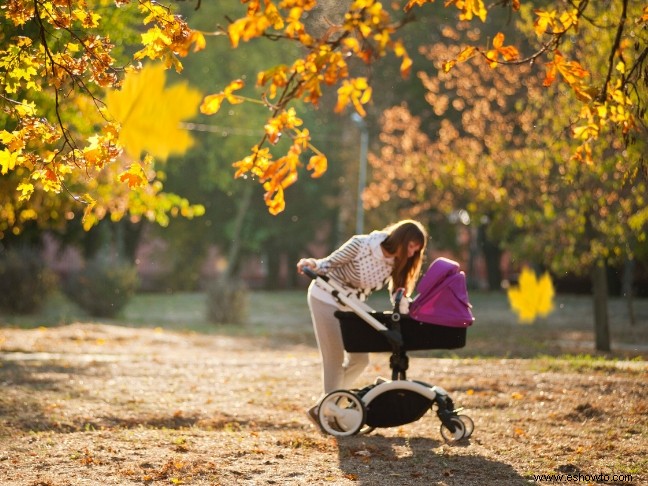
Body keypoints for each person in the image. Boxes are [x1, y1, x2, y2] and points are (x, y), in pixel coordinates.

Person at [296, 219, 428, 427]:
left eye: (416, 250)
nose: (412, 254)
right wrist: (311, 264)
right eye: (412, 247)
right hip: (326, 297)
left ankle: (323, 406)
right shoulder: (362, 245)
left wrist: (406, 310)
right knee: (334, 358)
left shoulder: (397, 262)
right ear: (402, 239)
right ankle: (327, 415)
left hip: (352, 304)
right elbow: (328, 263)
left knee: (360, 359)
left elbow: (398, 294)